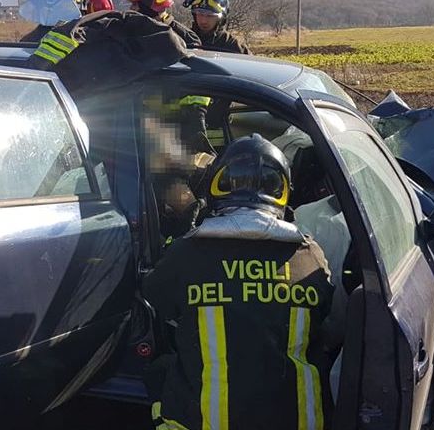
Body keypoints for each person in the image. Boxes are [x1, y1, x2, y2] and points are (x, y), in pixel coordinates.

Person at [143, 134, 336, 430]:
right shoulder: (310, 257)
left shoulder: (187, 254)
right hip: (300, 424)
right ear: (283, 192)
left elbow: (154, 299)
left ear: (218, 187)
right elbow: (329, 323)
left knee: (156, 371)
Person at [126, 0, 201, 48]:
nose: (131, 8)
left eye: (135, 5)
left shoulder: (172, 31)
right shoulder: (130, 29)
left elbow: (195, 42)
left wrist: (167, 22)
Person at [183, 0, 250, 54]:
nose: (204, 21)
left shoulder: (233, 46)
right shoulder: (183, 39)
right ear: (194, 15)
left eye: (210, 15)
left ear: (220, 18)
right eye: (200, 14)